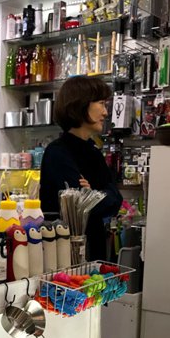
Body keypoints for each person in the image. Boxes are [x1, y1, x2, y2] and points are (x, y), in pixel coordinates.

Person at [39, 76, 122, 262]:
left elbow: (116, 199)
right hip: (65, 254)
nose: (105, 112)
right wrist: (97, 195)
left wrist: (93, 194)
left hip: (94, 249)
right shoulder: (58, 152)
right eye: (101, 103)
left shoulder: (93, 152)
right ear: (81, 104)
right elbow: (79, 205)